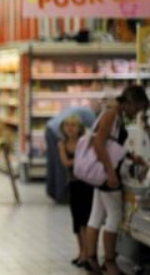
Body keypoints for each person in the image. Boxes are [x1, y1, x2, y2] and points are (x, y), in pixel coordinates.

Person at [83, 85, 149, 275]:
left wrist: (132, 157)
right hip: (107, 173)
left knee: (96, 215)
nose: (136, 113)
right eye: (136, 108)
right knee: (115, 216)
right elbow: (99, 144)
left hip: (104, 172)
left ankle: (91, 258)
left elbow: (112, 145)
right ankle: (110, 262)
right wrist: (111, 172)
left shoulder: (115, 115)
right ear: (130, 102)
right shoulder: (112, 115)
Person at [58, 115, 94, 268]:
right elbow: (66, 162)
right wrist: (80, 160)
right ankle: (81, 252)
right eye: (67, 125)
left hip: (86, 184)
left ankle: (87, 253)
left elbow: (89, 159)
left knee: (86, 219)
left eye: (73, 125)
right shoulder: (62, 143)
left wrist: (78, 160)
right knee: (77, 220)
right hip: (73, 184)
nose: (70, 128)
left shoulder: (84, 142)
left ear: (80, 128)